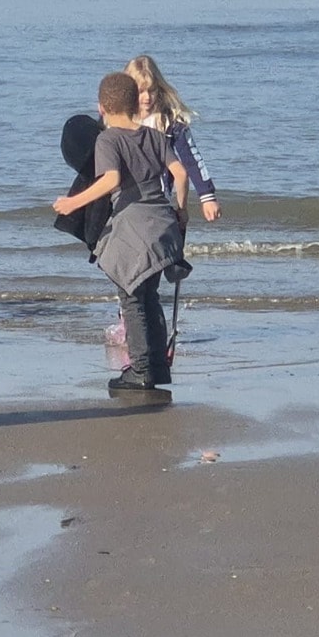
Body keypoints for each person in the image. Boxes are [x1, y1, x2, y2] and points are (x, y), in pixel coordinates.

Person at [52, 72, 188, 393]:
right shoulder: (155, 136)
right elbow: (180, 174)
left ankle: (140, 370)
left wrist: (72, 203)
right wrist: (182, 211)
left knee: (132, 298)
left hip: (133, 229)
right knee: (150, 297)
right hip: (163, 225)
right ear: (136, 105)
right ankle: (158, 366)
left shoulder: (108, 140)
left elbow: (111, 180)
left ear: (101, 108)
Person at [124, 54, 222, 221]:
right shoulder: (118, 119)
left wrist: (207, 197)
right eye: (141, 91)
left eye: (152, 90)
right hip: (125, 201)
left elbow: (192, 160)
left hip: (159, 201)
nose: (147, 97)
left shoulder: (171, 122)